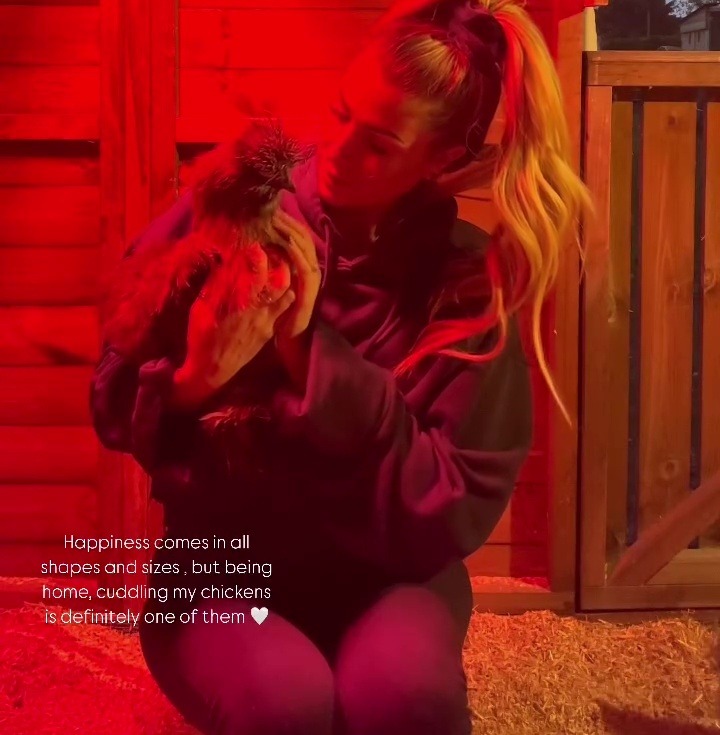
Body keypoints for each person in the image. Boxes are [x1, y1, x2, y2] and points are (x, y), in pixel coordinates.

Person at [89, 0, 591, 733]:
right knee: (286, 705)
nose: (338, 149)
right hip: (225, 566)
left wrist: (306, 346)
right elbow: (111, 389)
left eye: (381, 143)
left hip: (389, 576)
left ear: (442, 159)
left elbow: (455, 502)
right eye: (340, 110)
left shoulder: (465, 287)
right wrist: (197, 376)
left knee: (402, 699)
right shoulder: (236, 209)